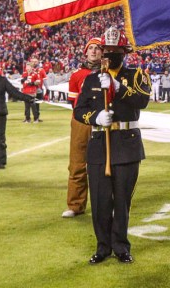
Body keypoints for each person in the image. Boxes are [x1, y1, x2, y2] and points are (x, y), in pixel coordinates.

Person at [74, 27, 150, 265]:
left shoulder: (136, 75)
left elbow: (143, 100)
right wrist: (95, 118)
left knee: (122, 201)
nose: (108, 54)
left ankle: (121, 246)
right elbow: (79, 110)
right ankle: (103, 247)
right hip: (99, 145)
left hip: (127, 145)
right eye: (105, 50)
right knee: (100, 201)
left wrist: (117, 87)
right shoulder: (91, 79)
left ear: (123, 52)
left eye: (114, 50)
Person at [62, 36, 102, 218]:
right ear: (86, 52)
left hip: (103, 121)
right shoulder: (76, 75)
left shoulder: (110, 72)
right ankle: (75, 205)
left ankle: (105, 203)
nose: (94, 51)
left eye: (97, 48)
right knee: (77, 163)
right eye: (90, 48)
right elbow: (73, 102)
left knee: (104, 163)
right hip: (81, 122)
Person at [21, 56, 45, 123]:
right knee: (27, 106)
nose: (27, 68)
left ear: (31, 67)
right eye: (27, 67)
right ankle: (27, 119)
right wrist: (23, 80)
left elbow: (38, 82)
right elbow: (22, 81)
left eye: (28, 67)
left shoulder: (35, 74)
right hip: (25, 91)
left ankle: (36, 118)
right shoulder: (24, 73)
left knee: (33, 106)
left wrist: (33, 83)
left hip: (32, 91)